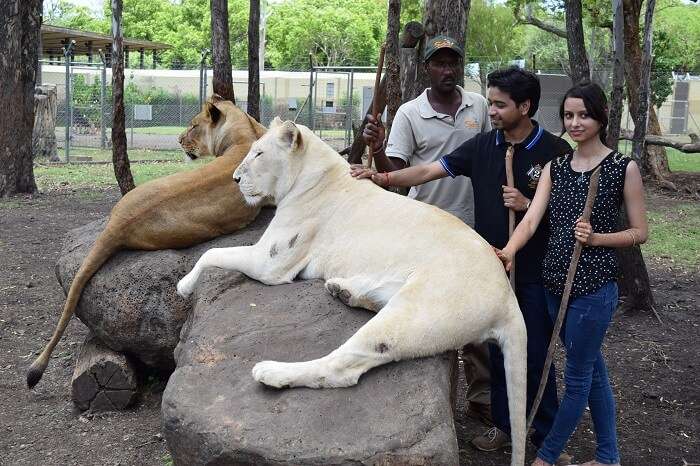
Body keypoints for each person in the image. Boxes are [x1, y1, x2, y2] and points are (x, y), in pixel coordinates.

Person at [352, 66, 572, 464]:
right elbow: (429, 170)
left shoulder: (555, 151)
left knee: (535, 351)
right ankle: (506, 426)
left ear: (525, 106)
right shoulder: (483, 145)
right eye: (492, 103)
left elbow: (576, 215)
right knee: (500, 348)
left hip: (536, 272)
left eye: (501, 105)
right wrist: (381, 177)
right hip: (490, 268)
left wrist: (528, 205)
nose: (492, 111)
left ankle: (546, 433)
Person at [496, 81, 647, 466]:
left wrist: (597, 237)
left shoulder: (621, 168)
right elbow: (530, 221)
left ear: (600, 117)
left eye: (583, 115)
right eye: (568, 115)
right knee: (593, 373)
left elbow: (640, 232)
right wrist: (507, 252)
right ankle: (608, 457)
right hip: (553, 286)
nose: (575, 123)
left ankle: (545, 457)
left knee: (578, 380)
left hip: (593, 291)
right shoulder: (556, 167)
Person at [360, 35, 494, 425]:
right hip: (426, 227)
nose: (448, 70)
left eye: (454, 63)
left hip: (474, 224)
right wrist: (380, 147)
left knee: (474, 311)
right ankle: (419, 395)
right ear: (428, 68)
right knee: (423, 308)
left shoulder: (479, 107)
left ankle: (482, 396)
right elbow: (395, 173)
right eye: (439, 63)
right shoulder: (409, 113)